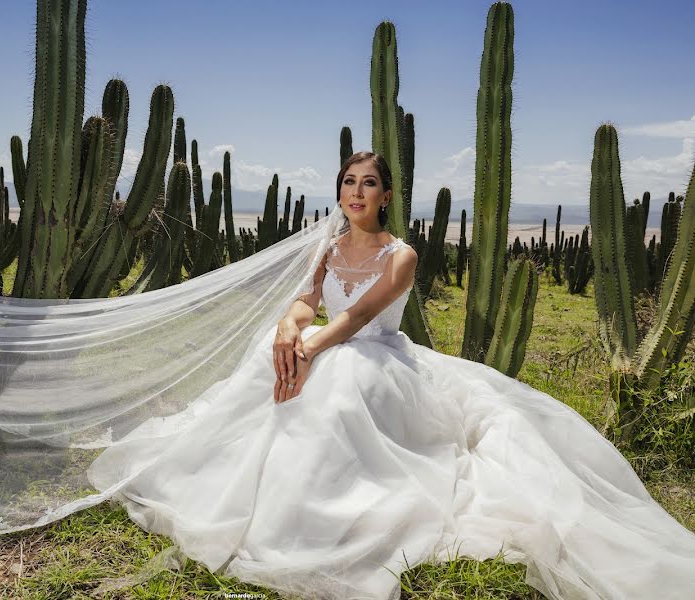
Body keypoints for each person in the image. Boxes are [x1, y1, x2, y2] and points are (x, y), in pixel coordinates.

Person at [86, 152, 695, 600]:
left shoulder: (399, 254)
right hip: (326, 345)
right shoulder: (325, 247)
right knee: (270, 372)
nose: (356, 192)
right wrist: (286, 330)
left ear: (384, 196)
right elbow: (307, 303)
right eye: (348, 183)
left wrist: (311, 347)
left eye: (368, 184)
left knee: (339, 391)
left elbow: (356, 316)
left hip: (376, 356)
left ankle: (322, 512)